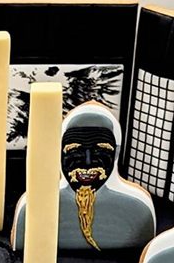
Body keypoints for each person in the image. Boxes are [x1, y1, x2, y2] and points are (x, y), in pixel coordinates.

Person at [12, 102, 155, 251]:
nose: (87, 162)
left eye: (100, 151)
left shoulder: (139, 211)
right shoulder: (34, 210)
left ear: (116, 153)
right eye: (74, 151)